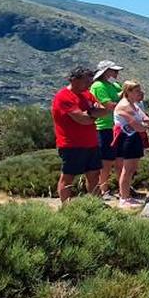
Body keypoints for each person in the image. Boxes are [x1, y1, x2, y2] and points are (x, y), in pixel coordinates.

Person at [52, 67, 113, 202]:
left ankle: (95, 204)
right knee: (68, 177)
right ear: (74, 80)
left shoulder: (87, 94)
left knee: (94, 175)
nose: (89, 85)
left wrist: (90, 113)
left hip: (91, 142)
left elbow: (103, 111)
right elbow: (83, 120)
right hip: (71, 144)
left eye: (90, 82)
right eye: (86, 82)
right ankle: (66, 206)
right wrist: (92, 113)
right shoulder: (64, 97)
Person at [111, 81, 149, 208]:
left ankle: (126, 195)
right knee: (127, 169)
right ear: (128, 92)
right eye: (137, 91)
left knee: (132, 169)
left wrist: (146, 122)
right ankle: (124, 198)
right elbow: (138, 126)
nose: (140, 93)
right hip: (127, 138)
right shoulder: (124, 106)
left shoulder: (133, 105)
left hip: (133, 137)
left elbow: (144, 117)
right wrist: (146, 125)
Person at [90, 60, 124, 199]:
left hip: (117, 126)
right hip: (104, 127)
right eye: (113, 71)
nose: (116, 73)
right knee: (106, 161)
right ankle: (104, 189)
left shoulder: (114, 85)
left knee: (120, 159)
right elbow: (109, 105)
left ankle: (123, 187)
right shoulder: (98, 86)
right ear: (105, 72)